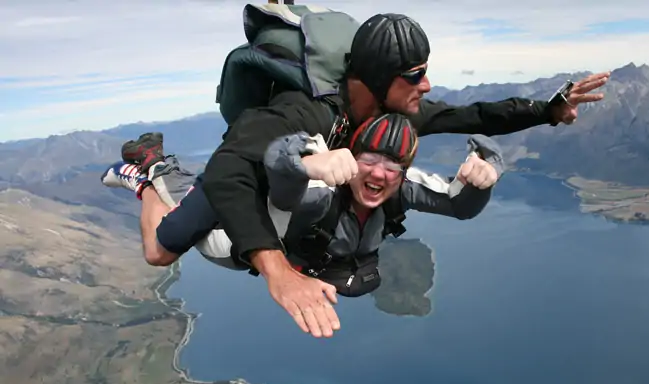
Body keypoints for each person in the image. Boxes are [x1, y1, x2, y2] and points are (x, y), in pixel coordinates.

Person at [122, 12, 610, 338]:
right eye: (415, 75)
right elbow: (230, 173)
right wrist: (277, 272)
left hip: (293, 186)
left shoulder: (392, 116)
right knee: (159, 252)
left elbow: (470, 115)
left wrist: (547, 110)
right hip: (245, 172)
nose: (427, 85)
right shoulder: (299, 112)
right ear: (379, 79)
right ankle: (149, 170)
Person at [101, 113, 503, 330]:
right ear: (351, 156)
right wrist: (307, 161)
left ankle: (164, 166)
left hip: (289, 232)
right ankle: (146, 175)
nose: (380, 174)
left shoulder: (402, 187)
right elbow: (282, 177)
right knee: (159, 250)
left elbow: (459, 205)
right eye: (369, 160)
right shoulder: (321, 192)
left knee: (193, 184)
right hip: (239, 236)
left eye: (393, 165)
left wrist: (482, 179)